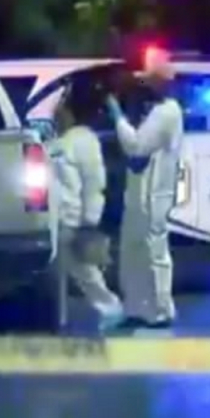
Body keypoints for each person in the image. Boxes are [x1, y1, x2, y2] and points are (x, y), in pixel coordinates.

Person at [104, 50, 184, 328]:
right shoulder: (153, 110)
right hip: (140, 192)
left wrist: (117, 115)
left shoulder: (166, 112)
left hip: (154, 194)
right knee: (132, 251)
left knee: (153, 250)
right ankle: (137, 308)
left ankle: (161, 310)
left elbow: (136, 147)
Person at [51, 92, 124, 332]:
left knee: (82, 268)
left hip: (73, 219)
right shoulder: (60, 141)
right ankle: (63, 316)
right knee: (69, 269)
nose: (55, 114)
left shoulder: (83, 140)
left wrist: (89, 221)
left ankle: (110, 307)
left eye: (60, 110)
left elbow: (94, 182)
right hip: (56, 217)